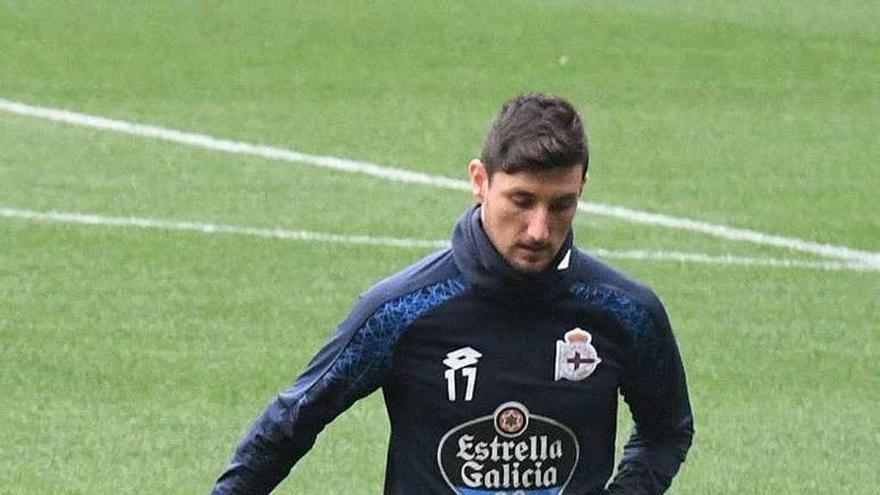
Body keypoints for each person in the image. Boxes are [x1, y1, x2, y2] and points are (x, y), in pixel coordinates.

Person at [211, 93, 694, 494]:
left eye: (562, 204)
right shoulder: (403, 311)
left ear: (583, 187)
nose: (539, 229)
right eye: (521, 201)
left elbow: (666, 430)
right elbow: (290, 423)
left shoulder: (624, 312)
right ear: (480, 181)